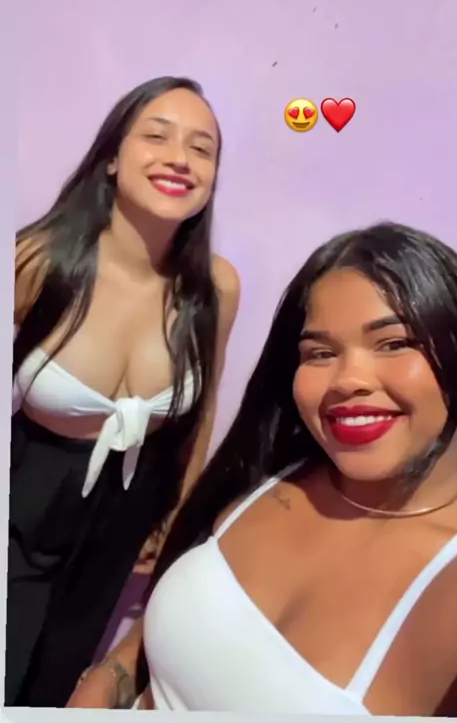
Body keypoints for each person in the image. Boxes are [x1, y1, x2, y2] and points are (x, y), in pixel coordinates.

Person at [69, 221, 457, 715]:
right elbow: (159, 639)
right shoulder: (267, 473)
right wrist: (107, 680)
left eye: (393, 344)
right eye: (320, 353)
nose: (348, 380)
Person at [8, 76, 241, 707]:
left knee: (57, 684)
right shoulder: (36, 259)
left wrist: (178, 515)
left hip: (130, 508)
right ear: (112, 156)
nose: (179, 159)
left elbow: (203, 409)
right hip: (24, 497)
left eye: (201, 148)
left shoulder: (215, 288)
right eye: (157, 137)